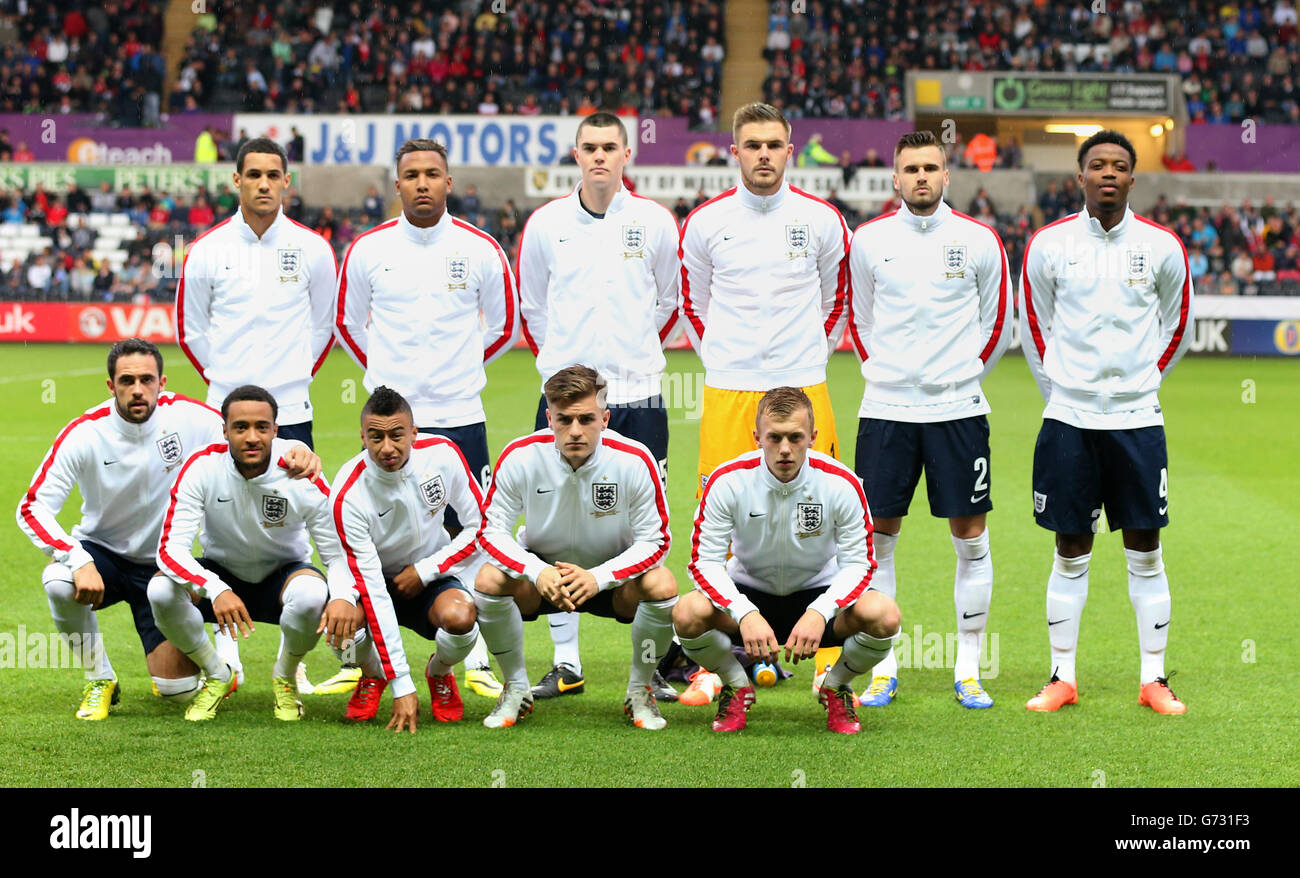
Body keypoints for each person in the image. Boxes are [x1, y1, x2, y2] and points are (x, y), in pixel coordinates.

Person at [15, 340, 319, 720]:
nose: (137, 389)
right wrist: (76, 558)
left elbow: (245, 434)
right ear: (111, 386)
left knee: (177, 692)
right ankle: (99, 679)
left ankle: (217, 670)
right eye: (127, 381)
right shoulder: (85, 433)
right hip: (101, 555)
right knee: (58, 582)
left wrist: (296, 449)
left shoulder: (190, 417)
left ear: (162, 382)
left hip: (166, 566)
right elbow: (31, 507)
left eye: (146, 379)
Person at [335, 137, 518, 698]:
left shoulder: (482, 248)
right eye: (410, 174)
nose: (421, 183)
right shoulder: (368, 249)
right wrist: (395, 393)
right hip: (390, 423)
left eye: (431, 174)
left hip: (460, 414)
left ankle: (477, 655)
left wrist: (457, 371)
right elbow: (348, 325)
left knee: (473, 533)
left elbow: (504, 327)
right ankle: (359, 658)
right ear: (396, 185)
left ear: (448, 182)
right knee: (371, 526)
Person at [1020, 129, 1194, 715]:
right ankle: (1061, 678)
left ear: (1132, 178)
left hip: (1138, 422)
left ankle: (1154, 680)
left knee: (1145, 547)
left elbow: (1179, 328)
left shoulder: (1163, 246)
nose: (1109, 174)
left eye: (1120, 165)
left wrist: (1139, 388)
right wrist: (1067, 393)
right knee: (1071, 547)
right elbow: (1036, 329)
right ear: (1080, 176)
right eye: (1098, 165)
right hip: (1068, 419)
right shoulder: (1048, 244)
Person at [679, 101, 849, 684]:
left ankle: (829, 658)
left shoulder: (823, 220)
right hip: (729, 388)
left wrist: (802, 361)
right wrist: (728, 360)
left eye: (773, 145)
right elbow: (693, 305)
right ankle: (725, 664)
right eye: (752, 145)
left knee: (820, 513)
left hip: (805, 384)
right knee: (720, 525)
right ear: (735, 153)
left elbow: (837, 301)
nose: (764, 155)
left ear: (789, 150)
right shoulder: (705, 223)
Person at [515, 111, 680, 700]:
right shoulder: (546, 224)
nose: (600, 157)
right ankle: (566, 662)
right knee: (554, 526)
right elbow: (532, 306)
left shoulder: (656, 222)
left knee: (643, 527)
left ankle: (653, 662)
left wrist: (629, 357)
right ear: (576, 154)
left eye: (610, 147)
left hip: (639, 395)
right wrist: (566, 375)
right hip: (564, 401)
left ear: (627, 153)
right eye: (590, 147)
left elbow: (668, 301)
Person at [847, 130, 1011, 709]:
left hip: (958, 413)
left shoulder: (980, 240)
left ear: (948, 176)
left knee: (969, 539)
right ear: (895, 179)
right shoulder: (868, 241)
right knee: (878, 542)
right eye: (911, 168)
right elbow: (859, 321)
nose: (921, 177)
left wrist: (957, 381)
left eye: (931, 168)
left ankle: (968, 668)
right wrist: (891, 376)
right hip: (886, 412)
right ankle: (882, 666)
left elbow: (997, 326)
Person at [672, 387, 900, 734]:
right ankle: (735, 683)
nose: (784, 449)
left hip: (817, 597)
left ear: (813, 437)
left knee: (884, 615)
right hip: (747, 595)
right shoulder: (727, 480)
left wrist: (820, 611)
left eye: (795, 437)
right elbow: (704, 563)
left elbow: (860, 564)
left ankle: (836, 685)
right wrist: (744, 612)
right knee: (686, 613)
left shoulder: (841, 483)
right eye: (774, 437)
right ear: (756, 437)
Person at [474, 366, 677, 730]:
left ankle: (640, 690)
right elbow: (491, 532)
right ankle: (516, 687)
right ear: (549, 417)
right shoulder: (520, 456)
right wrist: (538, 572)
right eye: (564, 420)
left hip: (611, 582)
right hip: (543, 581)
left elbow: (657, 539)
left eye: (587, 419)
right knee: (489, 579)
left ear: (605, 417)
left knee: (662, 585)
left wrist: (600, 577)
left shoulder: (635, 458)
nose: (576, 431)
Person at [149, 386, 339, 722]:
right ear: (224, 430)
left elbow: (335, 554)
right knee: (160, 590)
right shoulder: (202, 467)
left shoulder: (301, 471)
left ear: (275, 430)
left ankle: (285, 675)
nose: (252, 437)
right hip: (220, 573)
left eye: (261, 427)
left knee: (313, 595)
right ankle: (217, 673)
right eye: (240, 428)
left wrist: (342, 598)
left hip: (284, 575)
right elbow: (170, 549)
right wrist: (216, 588)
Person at [323, 387, 487, 732]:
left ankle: (439, 672)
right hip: (372, 579)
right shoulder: (349, 494)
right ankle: (373, 674)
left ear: (414, 432)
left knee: (461, 617)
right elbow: (371, 588)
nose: (387, 448)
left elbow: (480, 525)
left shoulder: (443, 454)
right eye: (376, 437)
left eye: (397, 435)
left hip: (430, 573)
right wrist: (401, 682)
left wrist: (427, 570)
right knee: (342, 626)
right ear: (363, 436)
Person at [176, 137, 336, 451]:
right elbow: (190, 330)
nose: (264, 184)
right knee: (220, 501)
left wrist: (297, 376)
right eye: (254, 175)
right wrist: (225, 380)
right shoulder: (206, 249)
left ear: (286, 181)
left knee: (291, 501)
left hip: (290, 412)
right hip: (223, 409)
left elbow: (325, 326)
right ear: (237, 179)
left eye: (273, 176)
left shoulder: (314, 249)